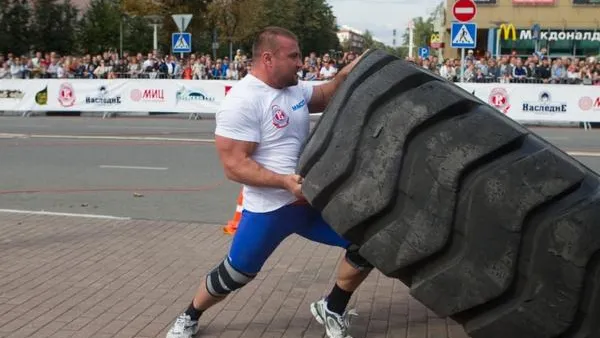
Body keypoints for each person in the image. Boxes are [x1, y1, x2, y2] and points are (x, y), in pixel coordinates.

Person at [166, 26, 373, 338]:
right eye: (293, 56)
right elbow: (235, 166)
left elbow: (329, 92)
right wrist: (283, 182)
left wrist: (363, 63)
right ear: (268, 58)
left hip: (310, 203)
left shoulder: (295, 90)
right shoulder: (242, 101)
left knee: (370, 245)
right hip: (270, 210)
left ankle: (333, 306)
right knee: (233, 276)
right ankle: (190, 315)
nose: (300, 62)